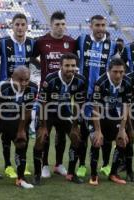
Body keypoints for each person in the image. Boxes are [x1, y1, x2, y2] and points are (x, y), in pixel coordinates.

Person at [33, 11, 76, 178]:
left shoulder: (71, 42)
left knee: (63, 132)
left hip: (64, 98)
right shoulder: (42, 42)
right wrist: (39, 69)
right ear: (51, 25)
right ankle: (44, 164)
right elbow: (30, 57)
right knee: (45, 131)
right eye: (57, 24)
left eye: (63, 24)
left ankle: (58, 164)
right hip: (47, 97)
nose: (60, 27)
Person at [33, 53, 87, 185]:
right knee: (41, 139)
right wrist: (43, 126)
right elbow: (43, 103)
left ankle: (70, 173)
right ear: (61, 66)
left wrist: (75, 126)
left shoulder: (80, 80)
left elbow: (79, 104)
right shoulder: (50, 79)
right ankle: (40, 170)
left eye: (73, 65)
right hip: (47, 113)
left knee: (76, 138)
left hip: (64, 112)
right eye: (67, 65)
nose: (70, 68)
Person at [76, 15, 118, 177]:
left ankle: (106, 164)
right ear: (91, 27)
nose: (100, 28)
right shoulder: (81, 40)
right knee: (84, 132)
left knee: (106, 133)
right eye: (97, 25)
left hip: (104, 98)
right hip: (85, 96)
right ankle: (81, 165)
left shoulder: (112, 45)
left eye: (103, 25)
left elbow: (117, 68)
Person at [0, 66, 38, 192]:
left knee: (22, 143)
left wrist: (21, 131)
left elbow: (27, 110)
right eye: (21, 80)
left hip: (16, 118)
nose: (24, 83)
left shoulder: (32, 88)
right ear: (12, 78)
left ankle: (20, 179)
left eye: (27, 79)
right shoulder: (1, 88)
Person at [0, 13, 35, 178]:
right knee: (6, 131)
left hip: (23, 94)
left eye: (22, 24)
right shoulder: (3, 43)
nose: (20, 27)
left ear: (27, 27)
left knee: (23, 129)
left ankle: (21, 164)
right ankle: (7, 165)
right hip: (6, 94)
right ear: (12, 26)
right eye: (17, 24)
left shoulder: (32, 44)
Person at [89, 58, 131, 186]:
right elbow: (95, 108)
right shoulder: (100, 83)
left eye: (121, 72)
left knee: (123, 140)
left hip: (113, 114)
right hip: (98, 115)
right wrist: (98, 131)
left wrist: (122, 130)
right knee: (96, 141)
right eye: (115, 72)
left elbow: (126, 107)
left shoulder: (127, 82)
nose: (118, 75)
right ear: (109, 71)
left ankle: (113, 173)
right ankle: (93, 175)